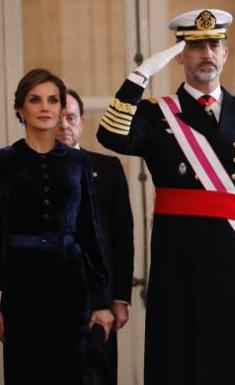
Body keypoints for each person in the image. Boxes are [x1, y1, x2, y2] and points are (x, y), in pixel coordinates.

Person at [96, 9, 235, 385]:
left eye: (214, 44)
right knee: (178, 362)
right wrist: (139, 76)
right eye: (195, 46)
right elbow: (110, 135)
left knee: (231, 364)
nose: (206, 53)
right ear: (180, 55)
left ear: (225, 53)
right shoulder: (157, 114)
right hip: (177, 261)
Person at [0, 68, 112, 384]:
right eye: (35, 100)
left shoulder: (78, 163)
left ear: (62, 107)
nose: (45, 107)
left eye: (52, 100)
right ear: (20, 108)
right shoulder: (4, 162)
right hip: (21, 289)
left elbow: (91, 233)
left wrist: (101, 301)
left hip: (70, 287)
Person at [56, 89, 134, 385]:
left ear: (82, 121)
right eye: (59, 118)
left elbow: (122, 238)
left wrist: (120, 298)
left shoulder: (107, 169)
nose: (64, 125)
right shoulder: (25, 167)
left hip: (97, 305)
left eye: (71, 117)